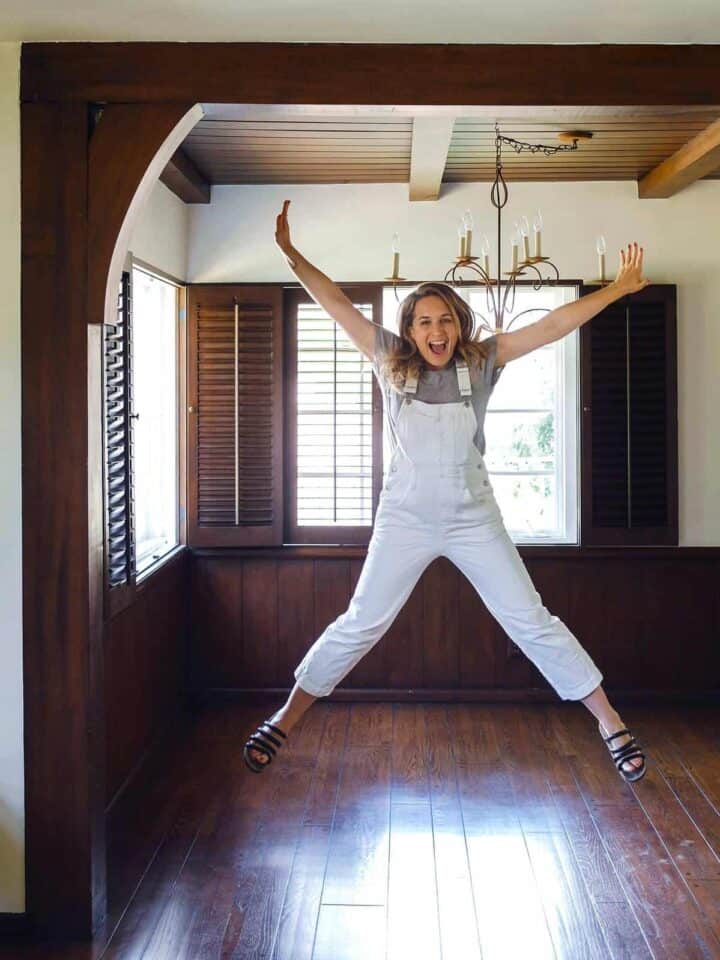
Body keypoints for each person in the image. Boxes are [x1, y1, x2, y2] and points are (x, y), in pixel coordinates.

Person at [243, 199, 649, 783]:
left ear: (460, 324)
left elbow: (553, 325)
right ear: (409, 329)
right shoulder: (387, 358)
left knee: (530, 619)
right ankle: (287, 715)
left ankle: (609, 721)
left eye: (446, 320)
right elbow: (333, 302)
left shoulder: (483, 361)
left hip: (472, 517)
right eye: (424, 322)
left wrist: (616, 290)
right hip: (403, 517)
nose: (437, 331)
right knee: (362, 620)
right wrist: (290, 254)